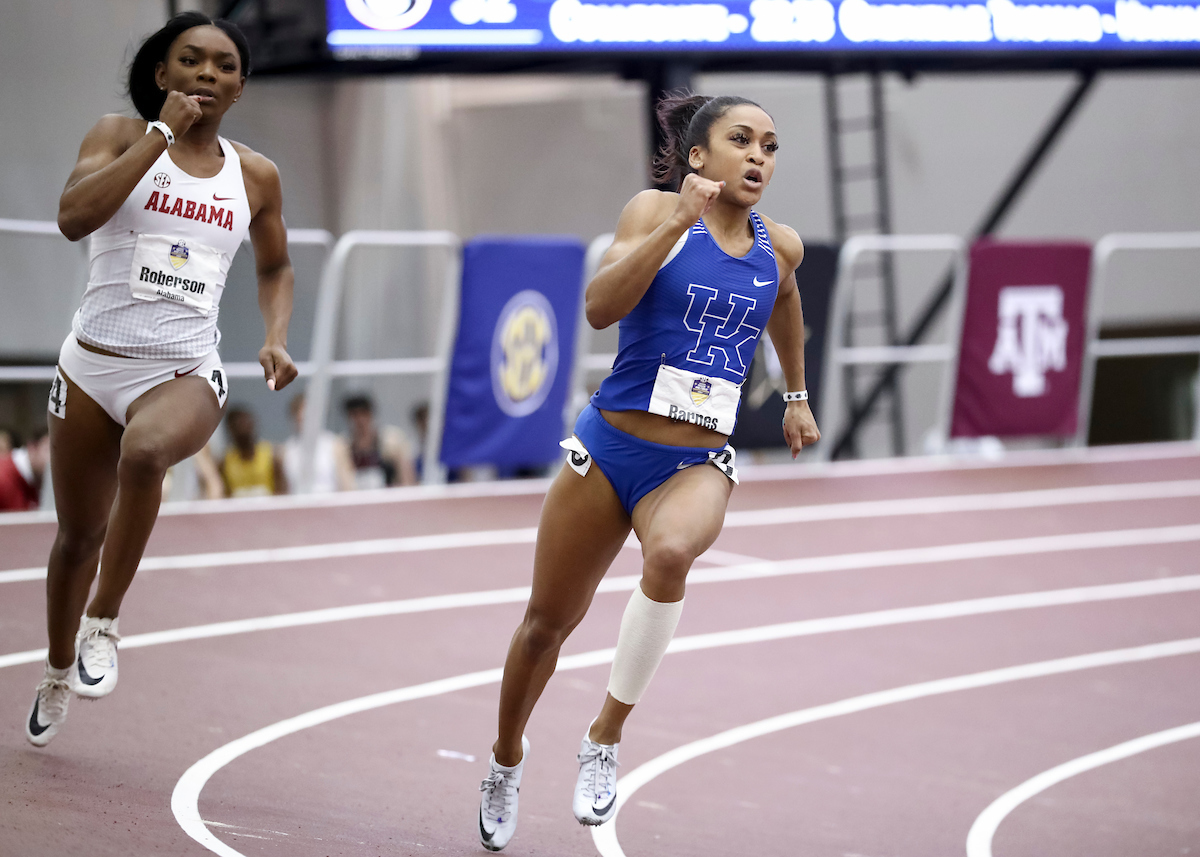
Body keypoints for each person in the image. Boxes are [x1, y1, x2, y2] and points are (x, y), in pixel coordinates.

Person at [477, 93, 820, 850]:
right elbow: (600, 308)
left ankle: (604, 736)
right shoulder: (651, 211)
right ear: (699, 156)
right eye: (741, 140)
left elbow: (785, 300)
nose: (759, 156)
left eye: (770, 144)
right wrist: (676, 224)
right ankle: (505, 757)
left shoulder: (779, 245)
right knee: (545, 626)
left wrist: (795, 395)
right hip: (607, 449)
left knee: (670, 554)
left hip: (695, 461)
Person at [25, 11, 297, 748]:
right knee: (77, 537)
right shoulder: (118, 135)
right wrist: (158, 137)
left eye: (224, 64)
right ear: (162, 74)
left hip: (182, 369)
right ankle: (55, 670)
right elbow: (74, 218)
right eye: (191, 59)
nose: (208, 73)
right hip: (89, 366)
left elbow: (274, 267)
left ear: (240, 88)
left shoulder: (256, 176)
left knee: (145, 453)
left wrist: (274, 337)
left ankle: (104, 623)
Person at [281, 391, 355, 493]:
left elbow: (348, 486)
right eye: (301, 414)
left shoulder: (335, 445)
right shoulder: (287, 450)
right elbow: (284, 490)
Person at [343, 393, 418, 488]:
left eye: (363, 414)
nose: (360, 420)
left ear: (370, 414)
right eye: (354, 415)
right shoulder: (345, 447)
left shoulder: (392, 441)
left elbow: (407, 478)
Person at [219, 405, 287, 496]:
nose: (243, 429)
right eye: (238, 425)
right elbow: (225, 494)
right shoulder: (224, 462)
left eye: (246, 424)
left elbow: (282, 491)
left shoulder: (271, 456)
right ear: (231, 429)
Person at [0, 427, 50, 512]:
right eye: (50, 450)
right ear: (32, 447)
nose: (55, 460)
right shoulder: (3, 477)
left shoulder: (37, 481)